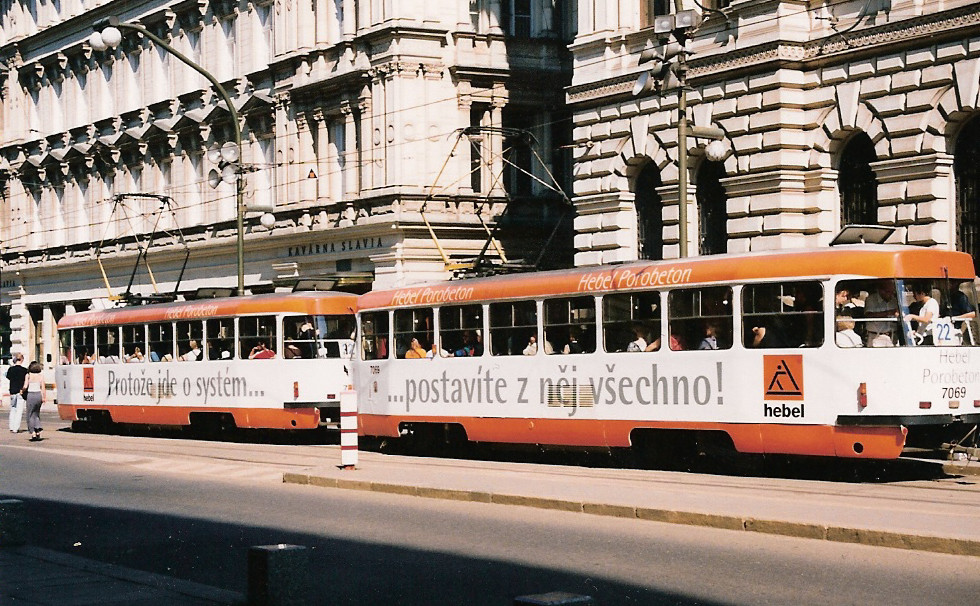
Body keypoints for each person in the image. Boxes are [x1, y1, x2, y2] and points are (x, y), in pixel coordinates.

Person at [864, 280, 899, 346]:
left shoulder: (894, 300)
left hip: (892, 336)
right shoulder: (871, 300)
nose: (891, 295)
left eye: (892, 292)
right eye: (888, 292)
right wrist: (888, 313)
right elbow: (868, 315)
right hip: (876, 337)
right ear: (880, 290)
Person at [24, 361, 46, 442]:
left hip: (31, 395)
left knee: (30, 414)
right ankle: (38, 430)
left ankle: (33, 432)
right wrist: (44, 397)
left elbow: (25, 386)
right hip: (38, 395)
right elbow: (43, 388)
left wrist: (22, 390)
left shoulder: (28, 375)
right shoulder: (41, 376)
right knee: (36, 414)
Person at [6, 354, 28, 434]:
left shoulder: (11, 369)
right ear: (22, 360)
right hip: (20, 391)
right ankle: (16, 428)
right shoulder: (24, 370)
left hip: (12, 391)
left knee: (13, 409)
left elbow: (8, 377)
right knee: (19, 410)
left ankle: (11, 426)